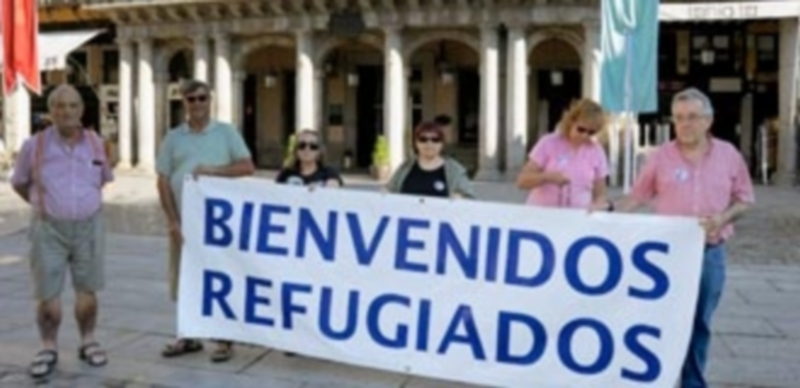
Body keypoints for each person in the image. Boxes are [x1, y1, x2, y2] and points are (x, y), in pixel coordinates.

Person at [598, 88, 755, 388]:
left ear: (708, 121)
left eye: (693, 117)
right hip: (666, 258)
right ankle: (659, 379)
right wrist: (603, 210)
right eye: (679, 118)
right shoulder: (660, 157)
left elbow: (745, 199)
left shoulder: (728, 155)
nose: (685, 124)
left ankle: (693, 382)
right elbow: (636, 197)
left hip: (710, 254)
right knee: (663, 321)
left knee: (700, 323)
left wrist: (722, 218)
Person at [10, 84, 113, 378]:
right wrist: (42, 204)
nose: (66, 111)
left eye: (72, 106)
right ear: (51, 111)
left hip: (89, 228)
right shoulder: (35, 145)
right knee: (48, 296)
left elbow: (102, 179)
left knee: (88, 292)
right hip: (48, 229)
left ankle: (88, 341)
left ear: (81, 110)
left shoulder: (96, 143)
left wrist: (80, 203)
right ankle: (48, 346)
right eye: (59, 106)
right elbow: (19, 182)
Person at [155, 79, 255, 363]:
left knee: (219, 278)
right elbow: (162, 181)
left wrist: (213, 170)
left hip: (218, 226)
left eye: (202, 98)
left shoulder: (226, 133)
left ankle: (224, 339)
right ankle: (187, 336)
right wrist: (172, 221)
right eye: (191, 99)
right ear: (184, 103)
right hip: (184, 223)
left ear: (210, 101)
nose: (197, 104)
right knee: (184, 278)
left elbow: (247, 166)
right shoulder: (173, 137)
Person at [516, 98, 609, 209]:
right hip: (542, 215)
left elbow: (600, 192)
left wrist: (598, 204)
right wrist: (547, 177)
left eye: (591, 132)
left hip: (577, 218)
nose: (585, 136)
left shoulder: (596, 151)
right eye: (581, 129)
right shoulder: (548, 143)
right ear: (571, 122)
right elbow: (522, 181)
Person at [386, 121, 475, 198]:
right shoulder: (405, 167)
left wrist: (460, 198)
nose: (429, 143)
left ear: (442, 143)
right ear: (416, 143)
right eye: (423, 139)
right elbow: (389, 191)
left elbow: (470, 199)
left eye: (435, 139)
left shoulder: (455, 170)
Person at [276, 129, 343, 187]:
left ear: (319, 151)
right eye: (302, 145)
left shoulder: (329, 173)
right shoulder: (286, 174)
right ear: (296, 150)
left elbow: (333, 190)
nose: (307, 150)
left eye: (313, 146)